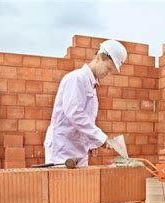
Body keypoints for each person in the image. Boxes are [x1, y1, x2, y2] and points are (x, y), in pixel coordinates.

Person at [44, 39, 127, 167]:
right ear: (99, 57)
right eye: (108, 68)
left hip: (79, 150)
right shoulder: (76, 79)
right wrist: (100, 137)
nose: (108, 74)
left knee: (82, 186)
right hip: (63, 149)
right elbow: (74, 114)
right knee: (62, 186)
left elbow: (87, 120)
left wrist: (92, 143)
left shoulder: (92, 86)